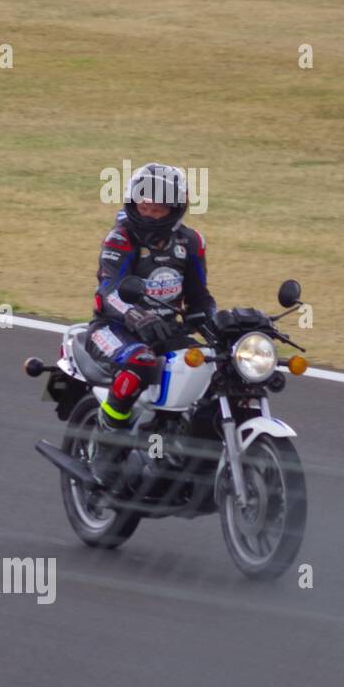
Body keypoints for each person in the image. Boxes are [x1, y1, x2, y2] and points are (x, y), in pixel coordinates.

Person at [87, 162, 215, 486]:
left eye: (156, 207)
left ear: (174, 208)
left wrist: (217, 326)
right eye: (142, 203)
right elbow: (107, 293)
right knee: (140, 362)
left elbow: (199, 299)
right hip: (113, 328)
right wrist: (135, 315)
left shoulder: (191, 242)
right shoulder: (121, 239)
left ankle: (176, 444)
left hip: (166, 330)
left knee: (215, 366)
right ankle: (107, 441)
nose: (147, 210)